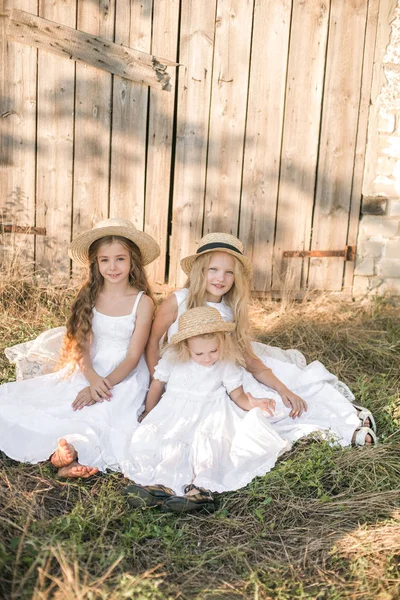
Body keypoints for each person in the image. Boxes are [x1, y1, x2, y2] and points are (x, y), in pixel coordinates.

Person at [144, 232, 377, 448]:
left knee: (277, 400)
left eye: (229, 272)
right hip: (182, 376)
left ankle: (345, 421)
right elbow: (154, 341)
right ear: (199, 271)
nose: (220, 278)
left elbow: (248, 359)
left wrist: (284, 389)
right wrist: (159, 382)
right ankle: (339, 425)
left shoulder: (229, 310)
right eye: (213, 269)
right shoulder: (178, 301)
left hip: (223, 374)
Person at [0, 218, 160, 478]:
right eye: (104, 260)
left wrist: (103, 384)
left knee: (109, 410)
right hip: (90, 369)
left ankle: (73, 452)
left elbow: (133, 356)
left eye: (120, 258)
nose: (113, 266)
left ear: (133, 261)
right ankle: (62, 450)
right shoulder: (90, 296)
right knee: (67, 402)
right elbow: (81, 347)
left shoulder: (143, 303)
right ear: (96, 263)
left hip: (124, 375)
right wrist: (93, 378)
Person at [123, 306, 290, 512]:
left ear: (222, 343)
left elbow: (236, 394)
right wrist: (150, 411)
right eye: (199, 353)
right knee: (169, 444)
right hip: (176, 414)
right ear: (186, 347)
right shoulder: (173, 360)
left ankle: (201, 491)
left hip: (211, 415)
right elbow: (157, 385)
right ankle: (162, 485)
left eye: (214, 350)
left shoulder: (225, 364)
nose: (208, 357)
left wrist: (252, 403)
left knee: (206, 450)